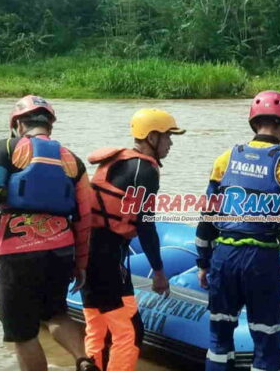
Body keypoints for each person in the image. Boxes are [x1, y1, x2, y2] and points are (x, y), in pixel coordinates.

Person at [0, 95, 98, 371]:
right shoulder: (73, 160)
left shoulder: (5, 149)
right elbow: (85, 218)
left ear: (18, 124)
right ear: (50, 126)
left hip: (17, 253)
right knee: (56, 313)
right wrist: (80, 263)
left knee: (23, 332)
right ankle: (83, 361)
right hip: (61, 252)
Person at [195, 91, 280, 371]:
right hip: (261, 261)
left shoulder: (225, 159)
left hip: (224, 257)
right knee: (266, 339)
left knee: (218, 338)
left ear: (254, 122)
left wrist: (203, 261)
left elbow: (207, 215)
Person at [81, 108, 184, 371]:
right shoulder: (144, 171)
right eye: (167, 137)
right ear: (151, 137)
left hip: (87, 253)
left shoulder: (119, 162)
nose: (170, 143)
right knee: (130, 332)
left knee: (98, 327)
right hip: (105, 257)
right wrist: (159, 271)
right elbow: (145, 226)